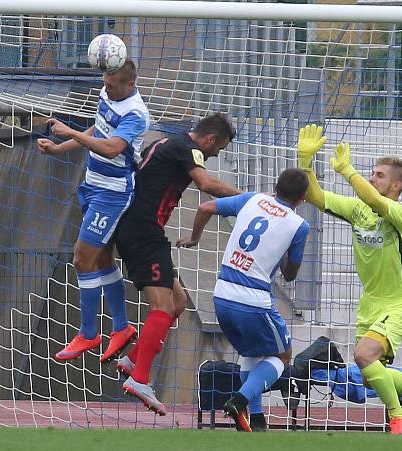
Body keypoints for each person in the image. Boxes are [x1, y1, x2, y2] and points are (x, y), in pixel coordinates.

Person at [295, 124, 402, 434]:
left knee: (363, 355)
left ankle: (398, 416)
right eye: (371, 173)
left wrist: (348, 171)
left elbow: (376, 202)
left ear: (396, 186)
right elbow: (317, 198)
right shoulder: (358, 210)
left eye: (379, 175)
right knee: (368, 372)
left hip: (400, 304)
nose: (372, 178)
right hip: (370, 304)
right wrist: (305, 163)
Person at [113, 113, 240, 416]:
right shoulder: (188, 148)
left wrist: (194, 237)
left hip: (143, 231)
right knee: (163, 308)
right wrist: (251, 198)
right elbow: (207, 185)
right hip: (144, 233)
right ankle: (141, 379)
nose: (215, 154)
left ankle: (133, 359)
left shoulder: (165, 143)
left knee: (179, 301)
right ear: (210, 139)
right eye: (218, 149)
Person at [177, 168, 311, 432]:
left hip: (222, 295)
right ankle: (240, 400)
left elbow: (204, 207)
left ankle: (256, 419)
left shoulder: (252, 199)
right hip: (254, 301)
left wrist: (194, 238)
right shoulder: (299, 225)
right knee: (282, 356)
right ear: (302, 198)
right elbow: (290, 274)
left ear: (275, 185)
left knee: (250, 353)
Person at [37, 59, 150, 363]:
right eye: (105, 83)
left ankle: (88, 333)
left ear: (129, 84)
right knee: (101, 258)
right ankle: (122, 328)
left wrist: (67, 130)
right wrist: (60, 146)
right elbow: (99, 128)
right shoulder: (106, 94)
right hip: (91, 185)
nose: (107, 89)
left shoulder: (136, 114)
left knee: (82, 258)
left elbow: (112, 147)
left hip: (112, 195)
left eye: (112, 86)